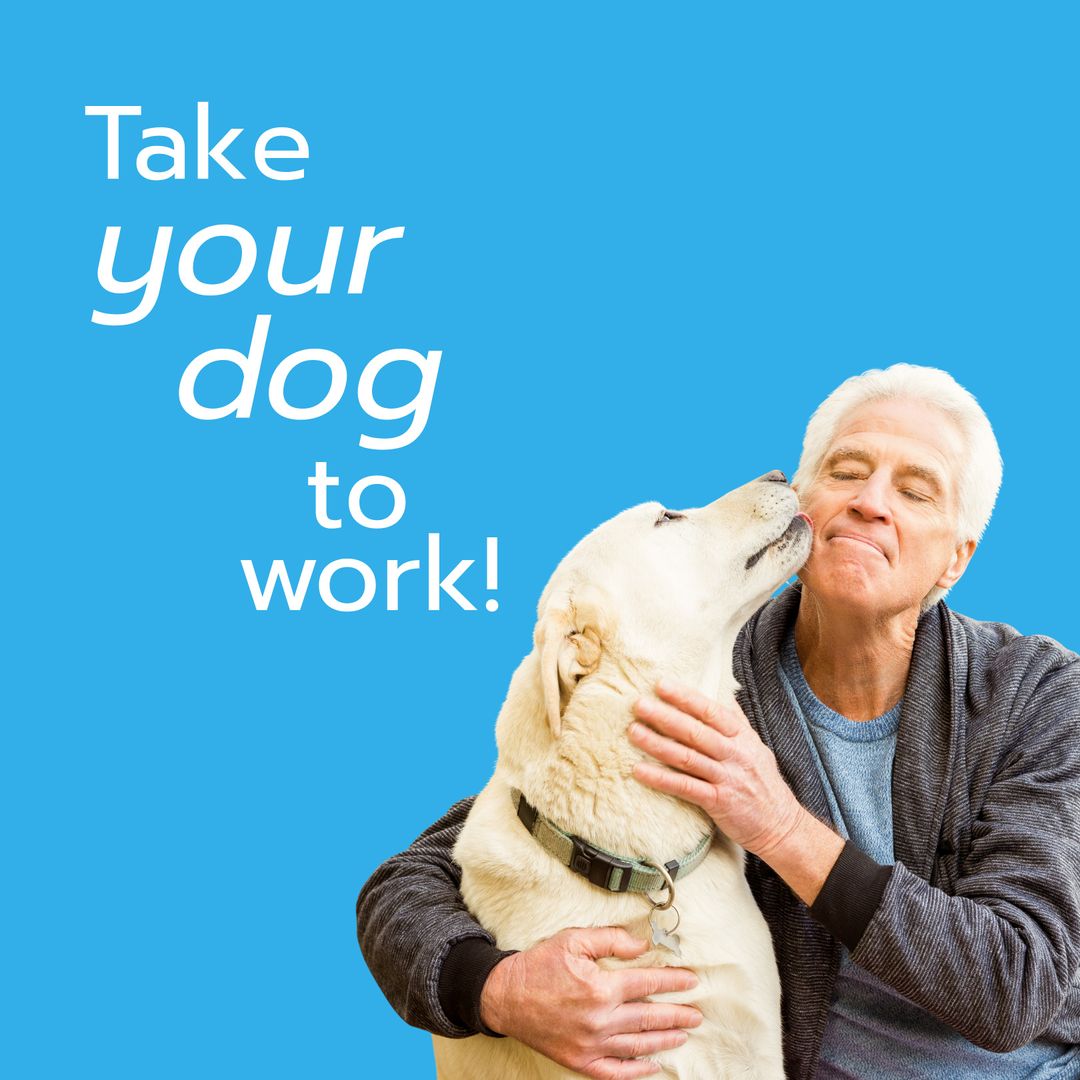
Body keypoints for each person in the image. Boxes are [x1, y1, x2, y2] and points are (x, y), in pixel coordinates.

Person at [356, 365, 1080, 1079]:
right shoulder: (695, 665)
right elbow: (410, 881)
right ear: (802, 500)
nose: (870, 502)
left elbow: (1014, 985)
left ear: (956, 559)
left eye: (915, 491)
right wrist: (497, 990)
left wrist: (780, 827)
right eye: (847, 471)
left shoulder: (1037, 694)